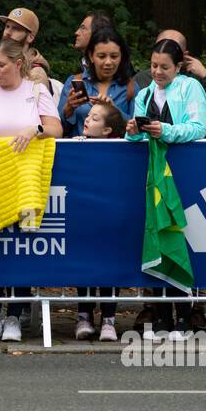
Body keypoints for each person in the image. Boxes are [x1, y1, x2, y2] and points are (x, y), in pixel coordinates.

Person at [0, 38, 64, 343]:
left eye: (0, 65)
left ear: (18, 64)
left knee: (21, 246)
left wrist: (36, 130)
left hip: (25, 180)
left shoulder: (36, 92)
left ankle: (15, 315)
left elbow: (56, 128)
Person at [126, 38, 206, 339]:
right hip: (154, 175)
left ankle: (186, 315)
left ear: (179, 67)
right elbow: (138, 139)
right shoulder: (146, 93)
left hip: (185, 173)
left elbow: (200, 126)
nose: (158, 72)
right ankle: (161, 315)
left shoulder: (191, 88)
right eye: (153, 66)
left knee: (179, 237)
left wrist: (167, 131)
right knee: (157, 236)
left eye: (165, 67)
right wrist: (133, 132)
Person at [71, 99, 127, 340]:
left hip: (113, 219)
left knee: (110, 268)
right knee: (84, 265)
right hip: (85, 218)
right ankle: (84, 316)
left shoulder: (124, 148)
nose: (86, 120)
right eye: (87, 116)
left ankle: (109, 320)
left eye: (94, 118)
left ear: (107, 131)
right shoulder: (76, 145)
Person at [130, 29, 206, 124]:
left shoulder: (196, 79)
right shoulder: (142, 79)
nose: (164, 51)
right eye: (161, 46)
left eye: (172, 49)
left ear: (184, 55)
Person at [57, 24, 136, 137]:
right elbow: (58, 130)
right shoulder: (75, 82)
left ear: (121, 57)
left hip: (118, 152)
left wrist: (114, 111)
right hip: (80, 150)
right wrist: (68, 110)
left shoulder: (130, 87)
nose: (108, 62)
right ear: (91, 56)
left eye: (114, 56)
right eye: (102, 56)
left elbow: (138, 131)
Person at [0, 6, 51, 84]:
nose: (8, 32)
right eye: (7, 26)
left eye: (16, 29)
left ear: (30, 37)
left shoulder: (36, 74)